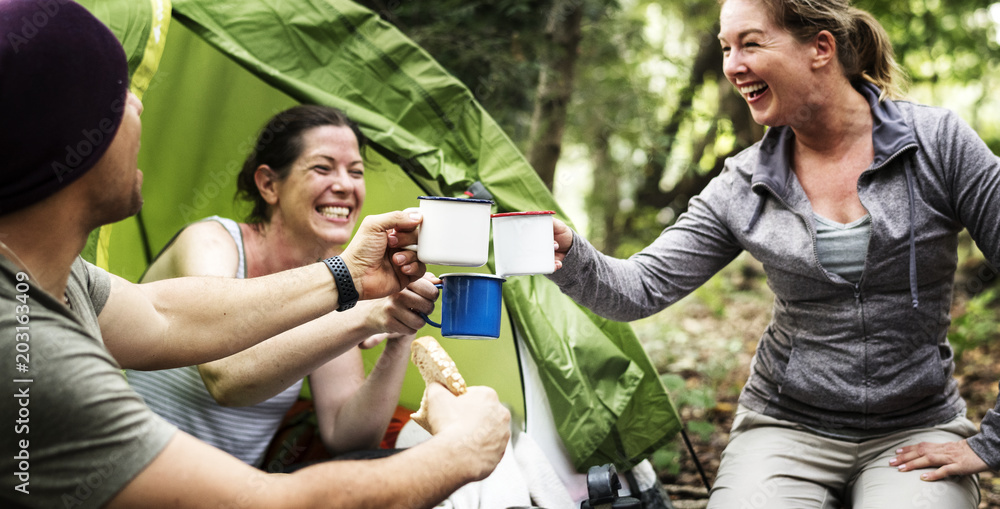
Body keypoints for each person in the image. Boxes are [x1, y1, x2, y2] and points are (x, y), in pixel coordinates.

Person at [0, 1, 509, 508]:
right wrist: (464, 448)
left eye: (355, 172)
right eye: (120, 97)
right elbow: (235, 400)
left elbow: (165, 317)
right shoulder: (32, 354)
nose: (139, 108)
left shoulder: (63, 282)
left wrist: (368, 298)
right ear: (67, 139)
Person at [547, 0, 1000, 507]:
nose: (732, 65)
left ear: (820, 49)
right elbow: (640, 289)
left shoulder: (937, 145)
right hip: (786, 426)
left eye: (751, 43)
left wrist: (992, 443)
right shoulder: (744, 183)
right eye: (725, 48)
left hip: (915, 429)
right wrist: (570, 254)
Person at [124, 104, 434, 469]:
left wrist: (399, 329)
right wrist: (367, 315)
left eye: (356, 172)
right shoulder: (211, 243)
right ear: (269, 185)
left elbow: (346, 436)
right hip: (128, 477)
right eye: (322, 167)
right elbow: (227, 379)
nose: (345, 186)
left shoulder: (343, 281)